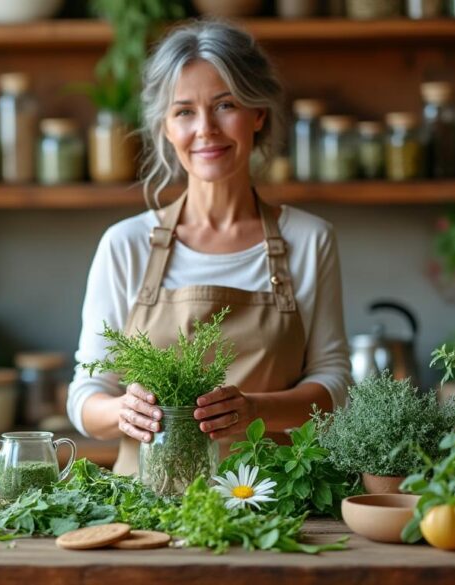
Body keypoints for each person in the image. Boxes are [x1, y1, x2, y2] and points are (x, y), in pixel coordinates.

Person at [66, 21, 352, 475]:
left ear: (257, 113)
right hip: (143, 509)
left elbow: (334, 386)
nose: (205, 129)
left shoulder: (309, 240)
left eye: (226, 105)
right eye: (184, 111)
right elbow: (85, 395)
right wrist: (122, 411)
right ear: (165, 126)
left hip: (270, 504)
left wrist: (254, 409)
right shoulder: (125, 245)